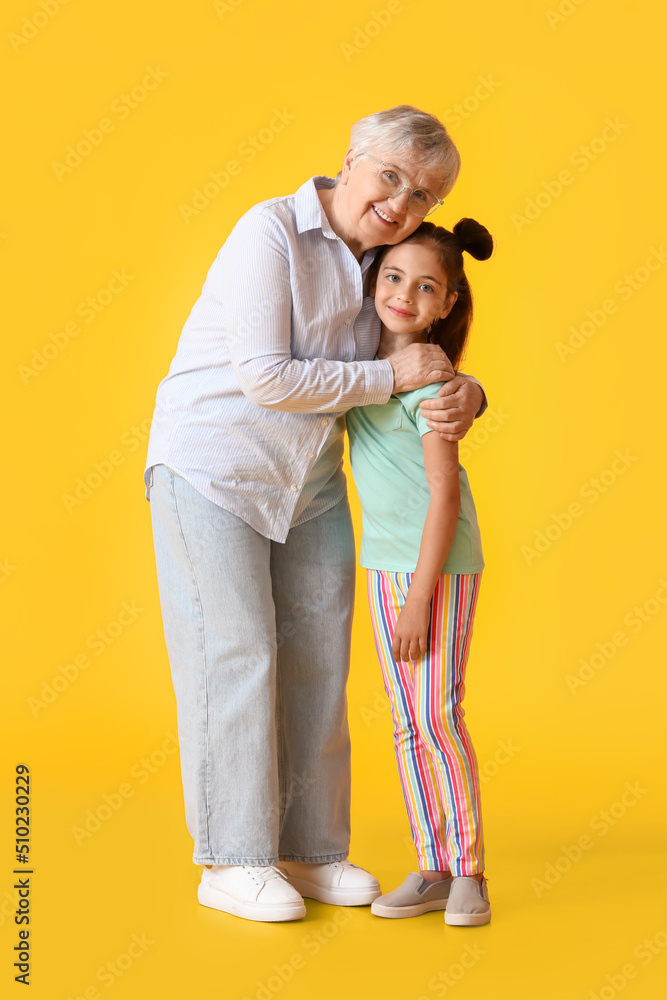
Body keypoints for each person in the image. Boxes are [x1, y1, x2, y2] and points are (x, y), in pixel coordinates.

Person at [144, 105, 488, 922]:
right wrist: (395, 382)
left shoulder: (386, 264)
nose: (402, 200)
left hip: (309, 481)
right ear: (351, 159)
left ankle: (307, 851)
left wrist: (469, 392)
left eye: (423, 193)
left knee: (316, 664)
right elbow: (268, 376)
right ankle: (232, 859)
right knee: (235, 657)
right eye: (391, 175)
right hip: (215, 468)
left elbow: (418, 354)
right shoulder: (269, 234)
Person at [346, 218, 493, 925]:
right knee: (408, 723)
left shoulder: (435, 387)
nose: (403, 294)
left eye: (424, 286)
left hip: (434, 570)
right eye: (392, 277)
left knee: (438, 715)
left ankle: (468, 871)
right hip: (382, 566)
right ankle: (430, 865)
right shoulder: (361, 367)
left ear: (445, 304)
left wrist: (418, 600)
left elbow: (445, 494)